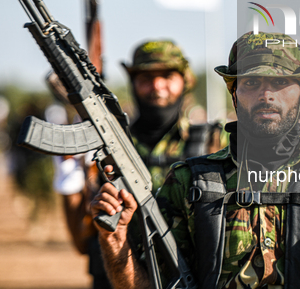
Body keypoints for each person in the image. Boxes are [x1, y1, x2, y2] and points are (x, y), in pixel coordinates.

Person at [92, 32, 300, 289]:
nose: (266, 94)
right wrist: (115, 241)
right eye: (252, 82)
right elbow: (146, 284)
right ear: (234, 92)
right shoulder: (189, 182)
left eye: (280, 82)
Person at [56, 40, 224, 289]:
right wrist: (68, 174)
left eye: (167, 76)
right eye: (146, 77)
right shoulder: (105, 146)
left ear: (186, 81)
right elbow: (82, 241)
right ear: (133, 82)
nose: (157, 86)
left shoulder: (215, 142)